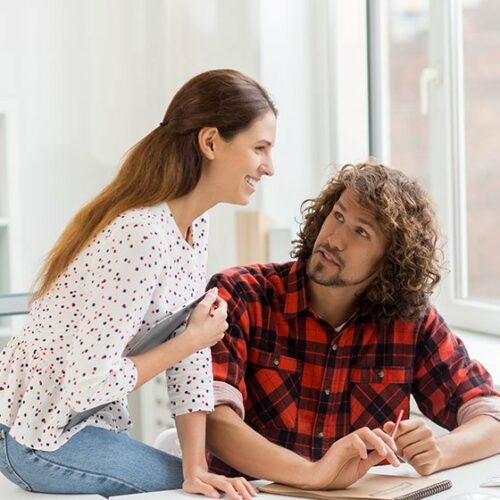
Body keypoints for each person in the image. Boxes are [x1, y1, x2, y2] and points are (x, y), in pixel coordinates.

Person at [0, 69, 277, 499]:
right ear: (210, 142)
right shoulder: (141, 235)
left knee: (208, 482)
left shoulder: (194, 226)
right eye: (260, 148)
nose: (269, 167)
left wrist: (195, 466)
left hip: (81, 429)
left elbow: (190, 354)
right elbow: (90, 383)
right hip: (34, 437)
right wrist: (192, 340)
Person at [205, 162, 500, 490]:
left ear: (390, 260)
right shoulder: (241, 294)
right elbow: (211, 420)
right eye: (338, 216)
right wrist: (313, 474)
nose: (334, 239)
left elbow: (491, 416)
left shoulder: (411, 323)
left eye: (361, 232)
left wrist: (439, 452)